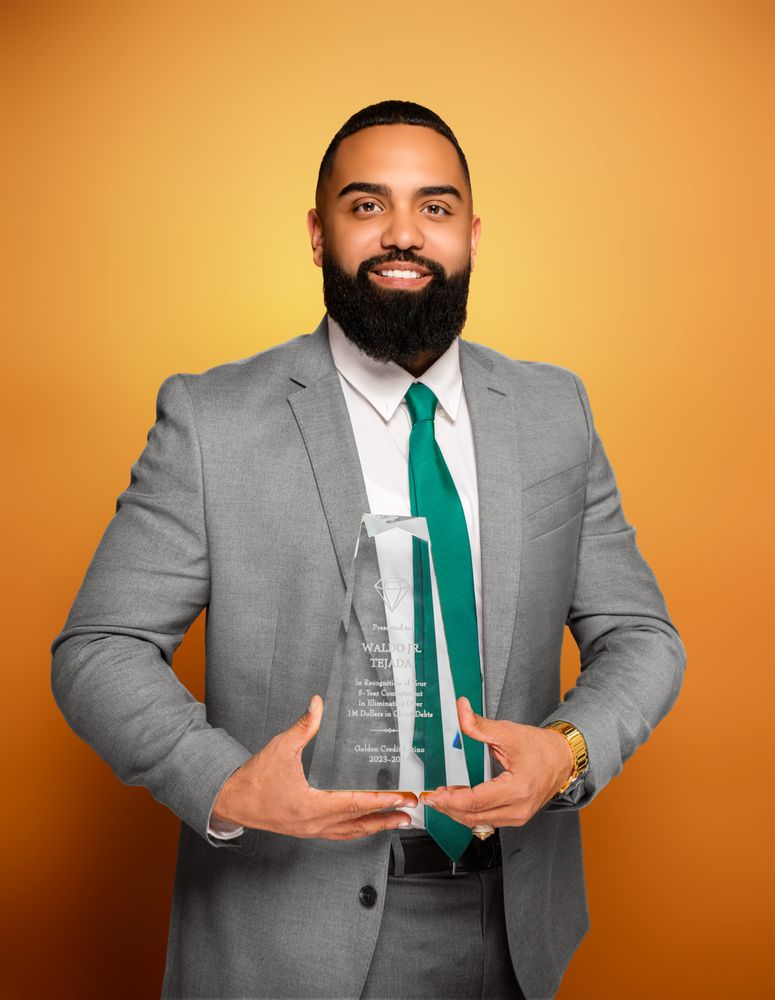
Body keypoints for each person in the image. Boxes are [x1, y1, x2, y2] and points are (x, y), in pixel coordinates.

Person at [51, 100, 685, 1000]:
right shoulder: (212, 422)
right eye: (365, 205)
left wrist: (568, 751)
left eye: (433, 207)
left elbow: (641, 636)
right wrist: (225, 783)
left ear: (470, 231)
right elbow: (98, 648)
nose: (401, 234)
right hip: (284, 929)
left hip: (513, 923)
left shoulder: (553, 413)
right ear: (318, 234)